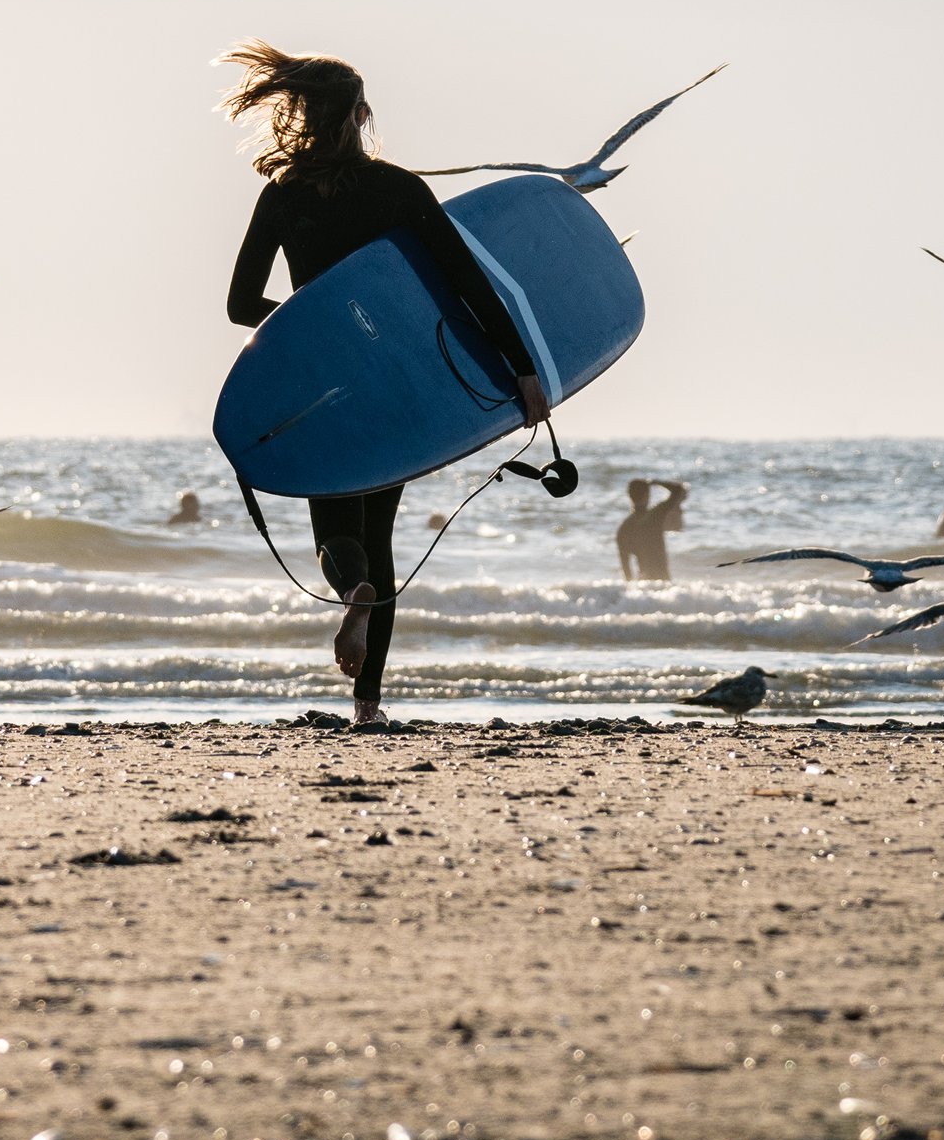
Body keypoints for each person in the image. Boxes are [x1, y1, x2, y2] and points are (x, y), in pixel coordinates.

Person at [224, 42, 547, 727]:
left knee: (335, 528)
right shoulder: (400, 190)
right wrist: (522, 367)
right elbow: (468, 285)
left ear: (300, 113)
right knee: (383, 530)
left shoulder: (281, 195)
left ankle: (353, 593)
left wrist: (311, 324)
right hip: (396, 382)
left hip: (322, 385)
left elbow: (240, 305)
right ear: (362, 116)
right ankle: (368, 704)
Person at [617, 477, 688, 581]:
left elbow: (626, 568)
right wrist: (655, 482)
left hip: (644, 586)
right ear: (647, 495)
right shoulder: (655, 516)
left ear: (629, 496)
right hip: (662, 581)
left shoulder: (624, 528)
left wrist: (632, 594)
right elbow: (678, 490)